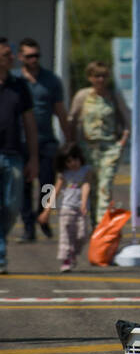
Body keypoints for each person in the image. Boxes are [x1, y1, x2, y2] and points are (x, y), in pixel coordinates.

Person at [16, 38, 71, 241]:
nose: (34, 59)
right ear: (21, 57)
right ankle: (28, 226)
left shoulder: (51, 80)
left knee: (47, 183)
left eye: (37, 55)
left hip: (46, 139)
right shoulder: (16, 81)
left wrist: (69, 138)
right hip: (20, 141)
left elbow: (60, 111)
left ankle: (44, 215)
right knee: (23, 186)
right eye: (29, 56)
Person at [68, 61, 129, 224]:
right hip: (87, 148)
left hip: (109, 148)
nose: (101, 80)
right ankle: (95, 226)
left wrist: (121, 143)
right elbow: (72, 120)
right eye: (97, 76)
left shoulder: (114, 96)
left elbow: (127, 121)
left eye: (104, 76)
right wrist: (72, 144)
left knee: (105, 187)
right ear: (90, 77)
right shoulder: (83, 96)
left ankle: (103, 226)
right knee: (91, 187)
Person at [0, 38, 39, 273]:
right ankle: (1, 254)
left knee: (11, 206)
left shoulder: (19, 86)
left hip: (13, 153)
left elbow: (30, 123)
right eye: (6, 54)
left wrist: (33, 158)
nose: (11, 58)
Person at [38, 145, 91, 272]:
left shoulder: (86, 170)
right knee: (65, 236)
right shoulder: (64, 174)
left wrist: (84, 203)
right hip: (66, 208)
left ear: (80, 158)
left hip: (80, 209)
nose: (73, 164)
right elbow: (55, 191)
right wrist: (46, 211)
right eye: (68, 161)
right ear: (64, 162)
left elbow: (86, 185)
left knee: (82, 235)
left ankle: (72, 253)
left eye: (75, 159)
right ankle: (66, 259)